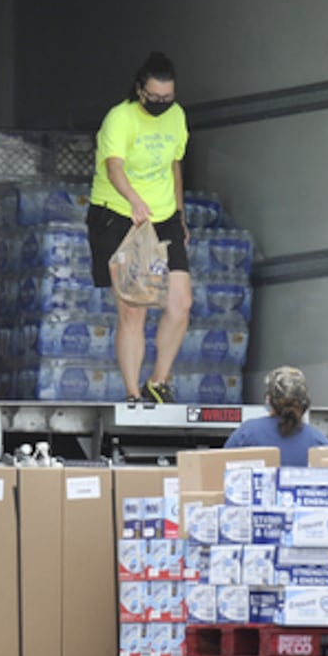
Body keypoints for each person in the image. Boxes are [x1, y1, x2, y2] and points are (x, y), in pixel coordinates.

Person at [86, 51, 192, 403]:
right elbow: (114, 166)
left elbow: (175, 164)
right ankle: (132, 393)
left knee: (181, 303)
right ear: (140, 90)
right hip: (118, 215)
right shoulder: (120, 118)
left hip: (162, 216)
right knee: (134, 308)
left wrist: (179, 213)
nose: (162, 103)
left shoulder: (176, 117)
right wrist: (133, 199)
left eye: (168, 97)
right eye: (155, 97)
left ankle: (158, 381)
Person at [223, 366, 328, 467]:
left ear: (269, 399)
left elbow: (219, 469)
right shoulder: (320, 442)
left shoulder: (246, 434)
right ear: (304, 403)